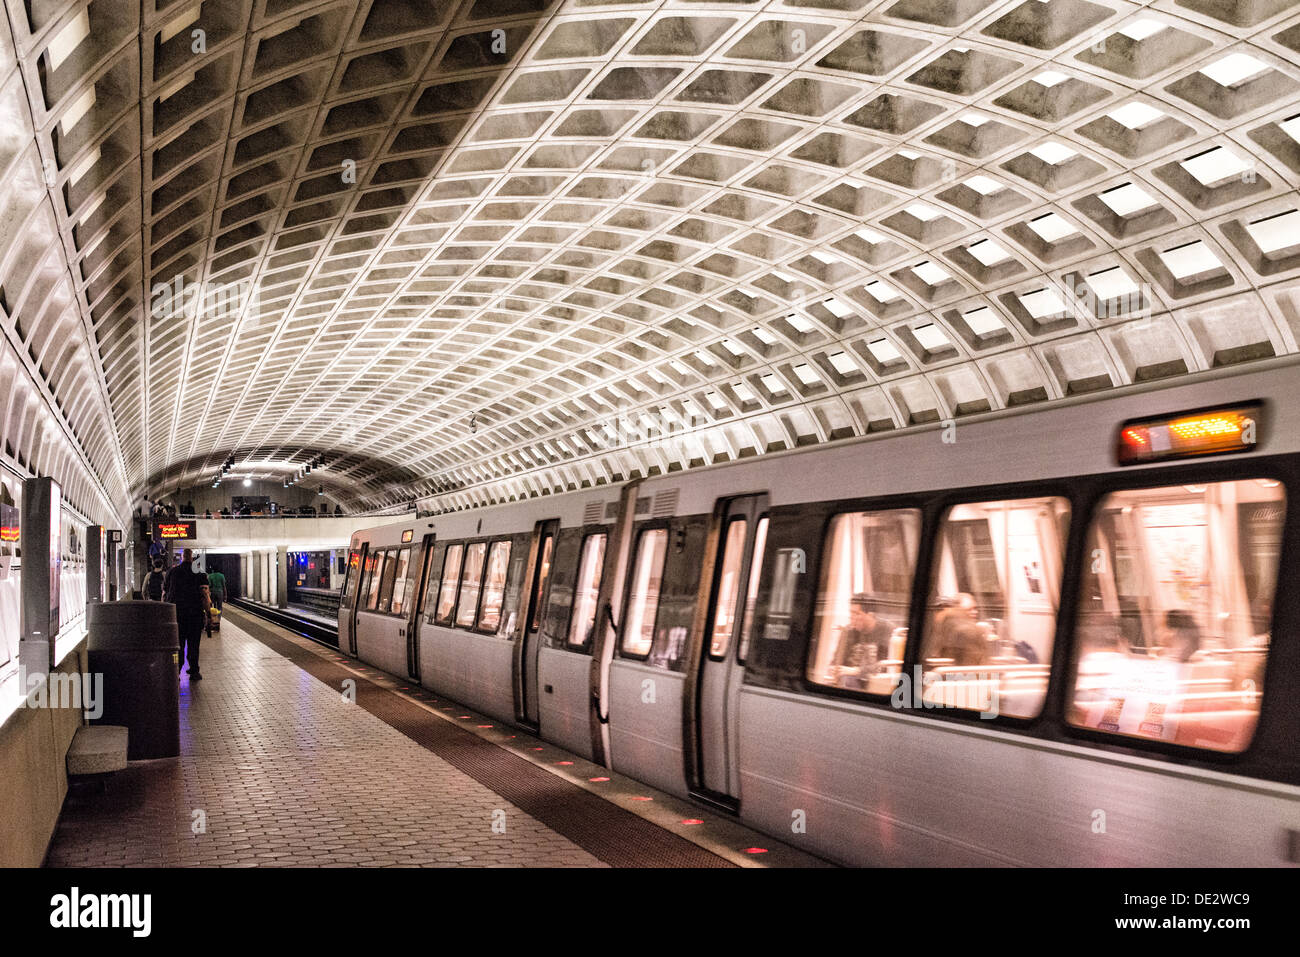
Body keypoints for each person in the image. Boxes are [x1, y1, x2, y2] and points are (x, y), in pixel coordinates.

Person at [165, 549, 210, 681]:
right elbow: (205, 595)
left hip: (177, 615)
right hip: (195, 615)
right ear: (192, 558)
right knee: (194, 644)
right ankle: (194, 671)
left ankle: (177, 672)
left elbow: (166, 594)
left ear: (182, 557)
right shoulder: (199, 572)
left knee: (178, 644)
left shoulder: (172, 572)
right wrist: (208, 613)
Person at [833, 595, 895, 673]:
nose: (852, 617)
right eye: (851, 613)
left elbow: (886, 666)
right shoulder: (848, 631)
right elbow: (837, 662)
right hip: (849, 681)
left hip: (877, 681)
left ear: (870, 615)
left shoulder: (887, 629)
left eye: (856, 613)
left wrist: (857, 671)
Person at [931, 592, 989, 667]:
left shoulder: (975, 629)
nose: (975, 612)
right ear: (958, 609)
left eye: (975, 608)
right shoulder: (964, 631)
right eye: (969, 609)